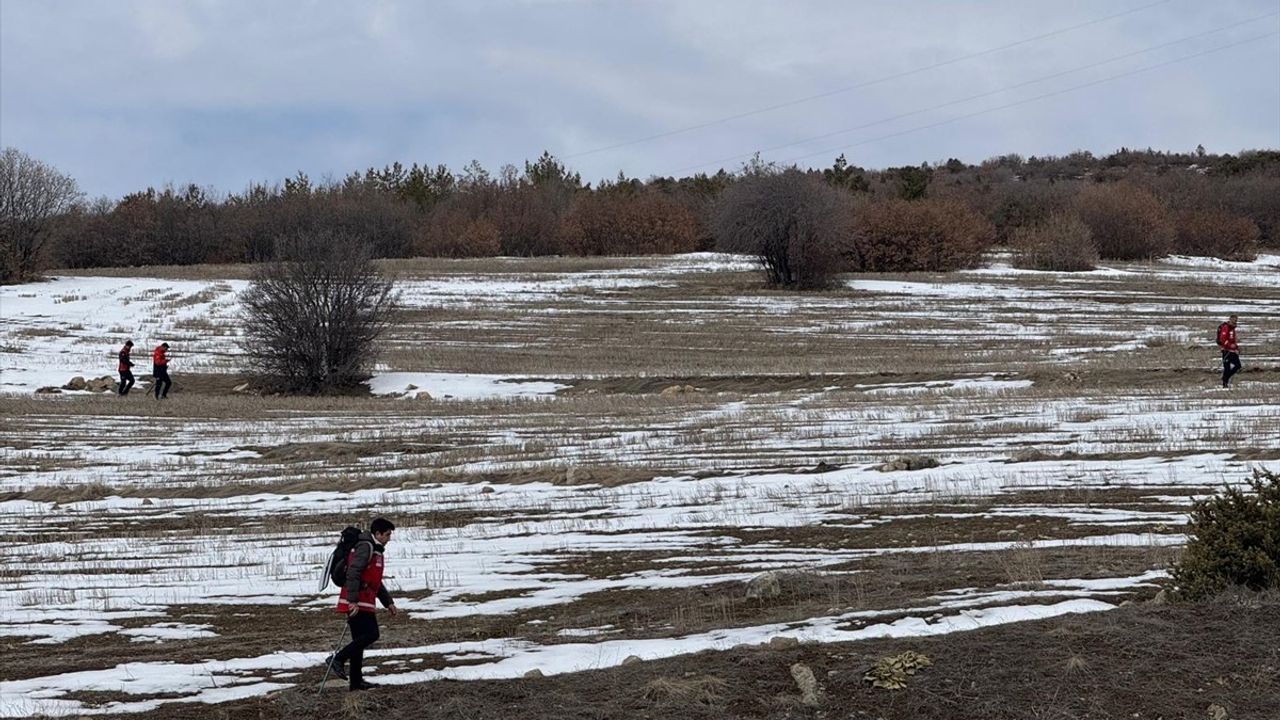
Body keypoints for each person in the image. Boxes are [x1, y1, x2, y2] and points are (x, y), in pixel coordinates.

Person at [327, 518, 397, 691]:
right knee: (372, 634)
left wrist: (388, 602)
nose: (389, 538)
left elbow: (374, 581)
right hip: (357, 600)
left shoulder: (376, 550)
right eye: (387, 534)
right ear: (378, 533)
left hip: (365, 600)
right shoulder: (366, 547)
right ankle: (338, 659)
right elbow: (353, 572)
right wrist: (352, 601)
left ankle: (356, 683)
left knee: (359, 641)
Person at [1217, 315, 1241, 389]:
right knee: (1227, 368)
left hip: (1232, 351)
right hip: (1226, 351)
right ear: (1230, 320)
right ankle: (1225, 384)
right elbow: (1223, 339)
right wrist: (1230, 346)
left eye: (1236, 321)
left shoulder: (1232, 329)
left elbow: (1233, 340)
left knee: (1238, 365)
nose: (1235, 322)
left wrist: (1236, 348)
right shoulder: (1226, 328)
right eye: (1233, 320)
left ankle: (1225, 378)